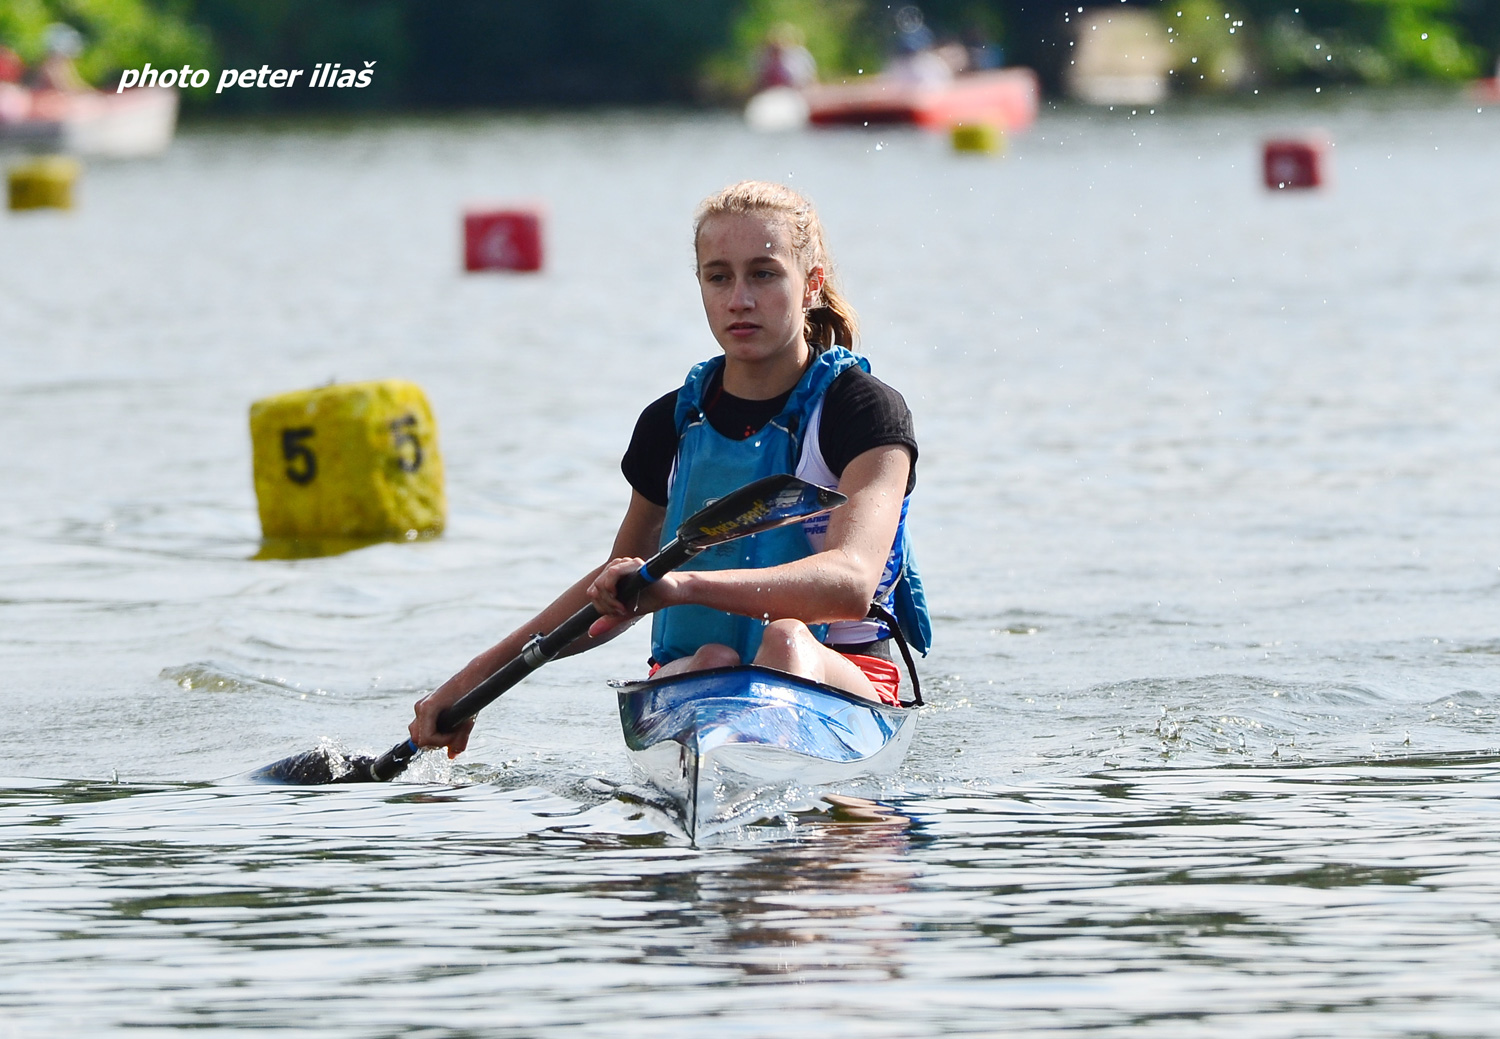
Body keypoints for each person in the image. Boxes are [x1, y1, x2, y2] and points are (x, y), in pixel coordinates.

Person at [409, 180, 931, 760]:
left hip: (845, 678)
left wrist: (679, 586)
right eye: (718, 276)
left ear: (810, 284)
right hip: (698, 675)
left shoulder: (863, 412)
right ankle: (721, 758)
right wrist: (470, 686)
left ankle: (760, 784)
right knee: (711, 657)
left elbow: (850, 585)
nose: (739, 299)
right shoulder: (671, 423)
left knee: (785, 639)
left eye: (763, 273)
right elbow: (610, 594)